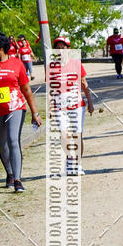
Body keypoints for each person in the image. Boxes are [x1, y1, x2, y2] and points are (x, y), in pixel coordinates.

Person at [0, 30, 41, 192]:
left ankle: (18, 180)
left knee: (13, 140)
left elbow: (27, 91)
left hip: (15, 108)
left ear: (2, 47)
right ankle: (10, 173)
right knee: (2, 145)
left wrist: (35, 113)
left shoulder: (16, 64)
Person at [49, 35, 93, 175]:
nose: (61, 51)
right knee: (64, 134)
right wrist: (50, 106)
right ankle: (69, 160)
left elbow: (84, 84)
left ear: (68, 49)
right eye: (58, 48)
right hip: (59, 106)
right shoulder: (52, 67)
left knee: (77, 135)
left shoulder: (76, 63)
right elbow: (50, 89)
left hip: (77, 105)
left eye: (64, 48)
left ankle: (78, 164)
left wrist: (90, 102)